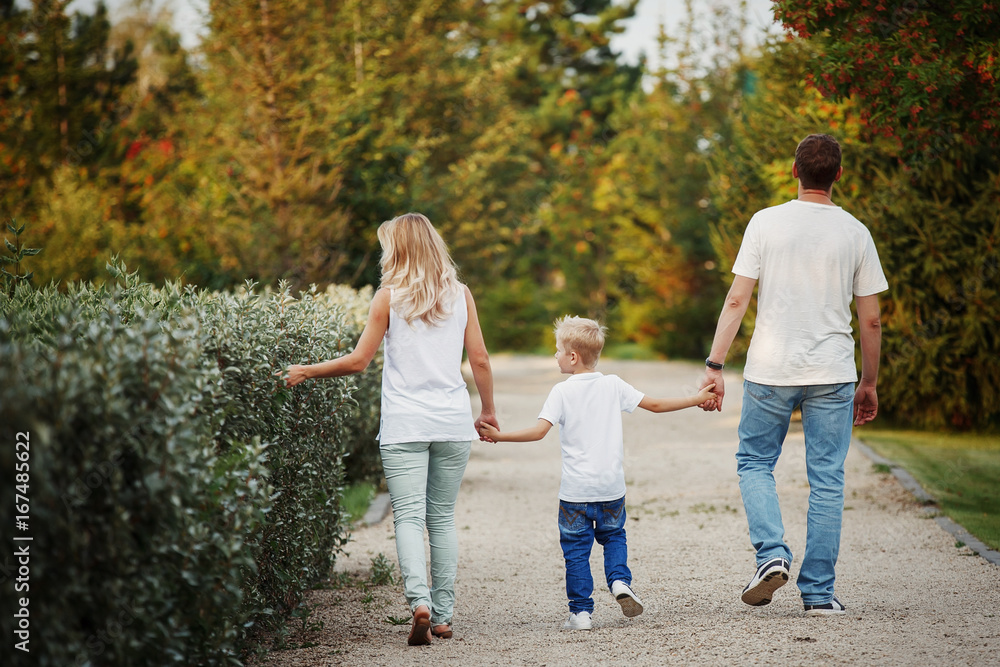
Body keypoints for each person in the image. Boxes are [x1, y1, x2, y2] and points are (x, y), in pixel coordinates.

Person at [282, 212, 497, 645]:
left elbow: (359, 361)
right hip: (452, 422)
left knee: (409, 518)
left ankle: (419, 602)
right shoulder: (460, 294)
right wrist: (487, 412)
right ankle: (443, 616)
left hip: (404, 425)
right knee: (441, 517)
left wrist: (307, 369)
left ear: (395, 249)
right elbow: (480, 360)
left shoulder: (388, 297)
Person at [699, 134, 887, 616]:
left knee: (755, 463)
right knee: (826, 479)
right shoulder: (855, 233)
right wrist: (868, 382)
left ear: (793, 171)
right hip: (833, 371)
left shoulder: (766, 223)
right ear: (838, 176)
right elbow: (870, 319)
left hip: (770, 368)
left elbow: (737, 299)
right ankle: (820, 595)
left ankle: (771, 555)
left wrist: (716, 365)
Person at [479, 316, 717, 631]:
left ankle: (580, 614)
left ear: (573, 357)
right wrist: (696, 399)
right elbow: (657, 405)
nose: (555, 356)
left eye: (558, 351)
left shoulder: (561, 392)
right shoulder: (613, 384)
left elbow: (538, 433)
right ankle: (620, 581)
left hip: (575, 492)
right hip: (611, 487)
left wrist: (499, 436)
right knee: (615, 536)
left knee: (576, 551)